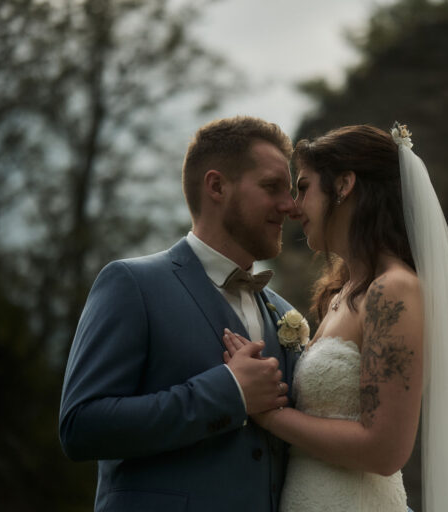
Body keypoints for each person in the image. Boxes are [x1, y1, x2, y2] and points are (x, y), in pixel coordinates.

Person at [224, 123, 448, 511]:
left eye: (305, 187)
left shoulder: (394, 291)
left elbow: (385, 451)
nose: (294, 206)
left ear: (343, 185)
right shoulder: (342, 293)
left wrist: (270, 416)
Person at [59, 116, 302, 511]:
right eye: (271, 187)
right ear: (217, 186)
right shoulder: (131, 285)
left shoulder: (285, 314)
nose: (289, 205)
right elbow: (80, 426)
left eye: (290, 191)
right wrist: (229, 392)